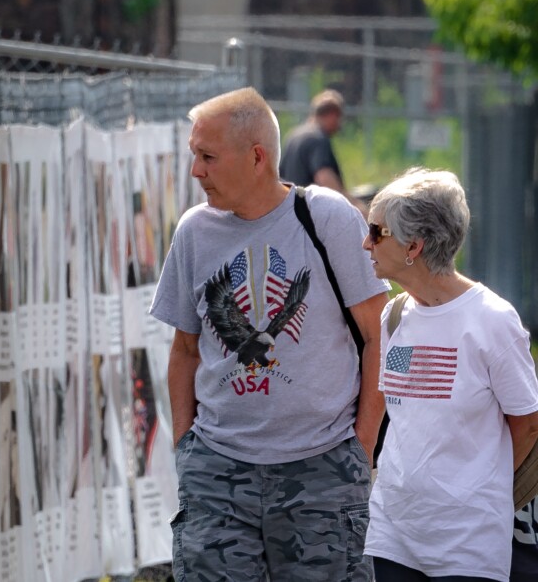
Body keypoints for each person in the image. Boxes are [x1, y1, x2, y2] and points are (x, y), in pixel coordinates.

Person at [150, 87, 389, 580]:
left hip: (322, 474)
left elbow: (379, 338)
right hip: (217, 476)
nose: (195, 171)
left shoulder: (327, 219)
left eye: (208, 157)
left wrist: (359, 450)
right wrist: (186, 451)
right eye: (195, 155)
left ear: (257, 157)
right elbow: (185, 350)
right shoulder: (194, 232)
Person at [362, 167, 538, 581]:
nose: (366, 243)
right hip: (393, 533)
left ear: (413, 246)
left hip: (467, 543)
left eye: (376, 232)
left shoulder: (492, 320)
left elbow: (528, 425)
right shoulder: (395, 315)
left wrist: (474, 485)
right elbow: (405, 413)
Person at [280, 89, 366, 215]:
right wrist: (354, 207)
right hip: (312, 214)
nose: (340, 124)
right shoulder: (317, 138)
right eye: (339, 117)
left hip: (290, 212)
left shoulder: (293, 136)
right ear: (332, 115)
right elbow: (324, 178)